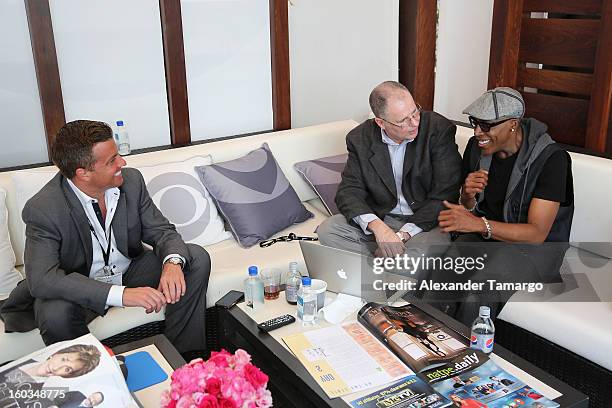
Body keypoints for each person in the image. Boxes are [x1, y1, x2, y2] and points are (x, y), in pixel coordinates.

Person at [0, 120, 211, 354]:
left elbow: (161, 231)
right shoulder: (44, 208)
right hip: (81, 283)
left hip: (128, 271)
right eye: (112, 161)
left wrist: (172, 263)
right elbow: (42, 279)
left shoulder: (131, 182)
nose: (123, 162)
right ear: (83, 173)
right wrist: (122, 295)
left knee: (195, 258)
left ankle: (183, 360)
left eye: (118, 155)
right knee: (53, 313)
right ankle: (98, 380)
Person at [433, 87, 574, 324]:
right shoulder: (476, 148)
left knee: (480, 289)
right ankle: (423, 341)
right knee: (441, 272)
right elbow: (470, 208)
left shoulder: (551, 159)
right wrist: (467, 195)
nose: (477, 132)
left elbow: (537, 233)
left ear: (513, 124)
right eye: (474, 123)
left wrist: (478, 225)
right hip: (489, 236)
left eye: (486, 125)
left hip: (534, 249)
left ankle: (467, 355)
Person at [318, 81, 462, 259]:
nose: (414, 123)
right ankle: (378, 271)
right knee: (329, 230)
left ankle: (383, 267)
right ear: (380, 122)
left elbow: (446, 194)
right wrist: (378, 228)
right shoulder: (360, 138)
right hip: (383, 218)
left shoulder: (438, 129)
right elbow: (349, 192)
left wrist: (400, 237)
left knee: (416, 256)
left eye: (415, 112)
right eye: (403, 120)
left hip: (427, 221)